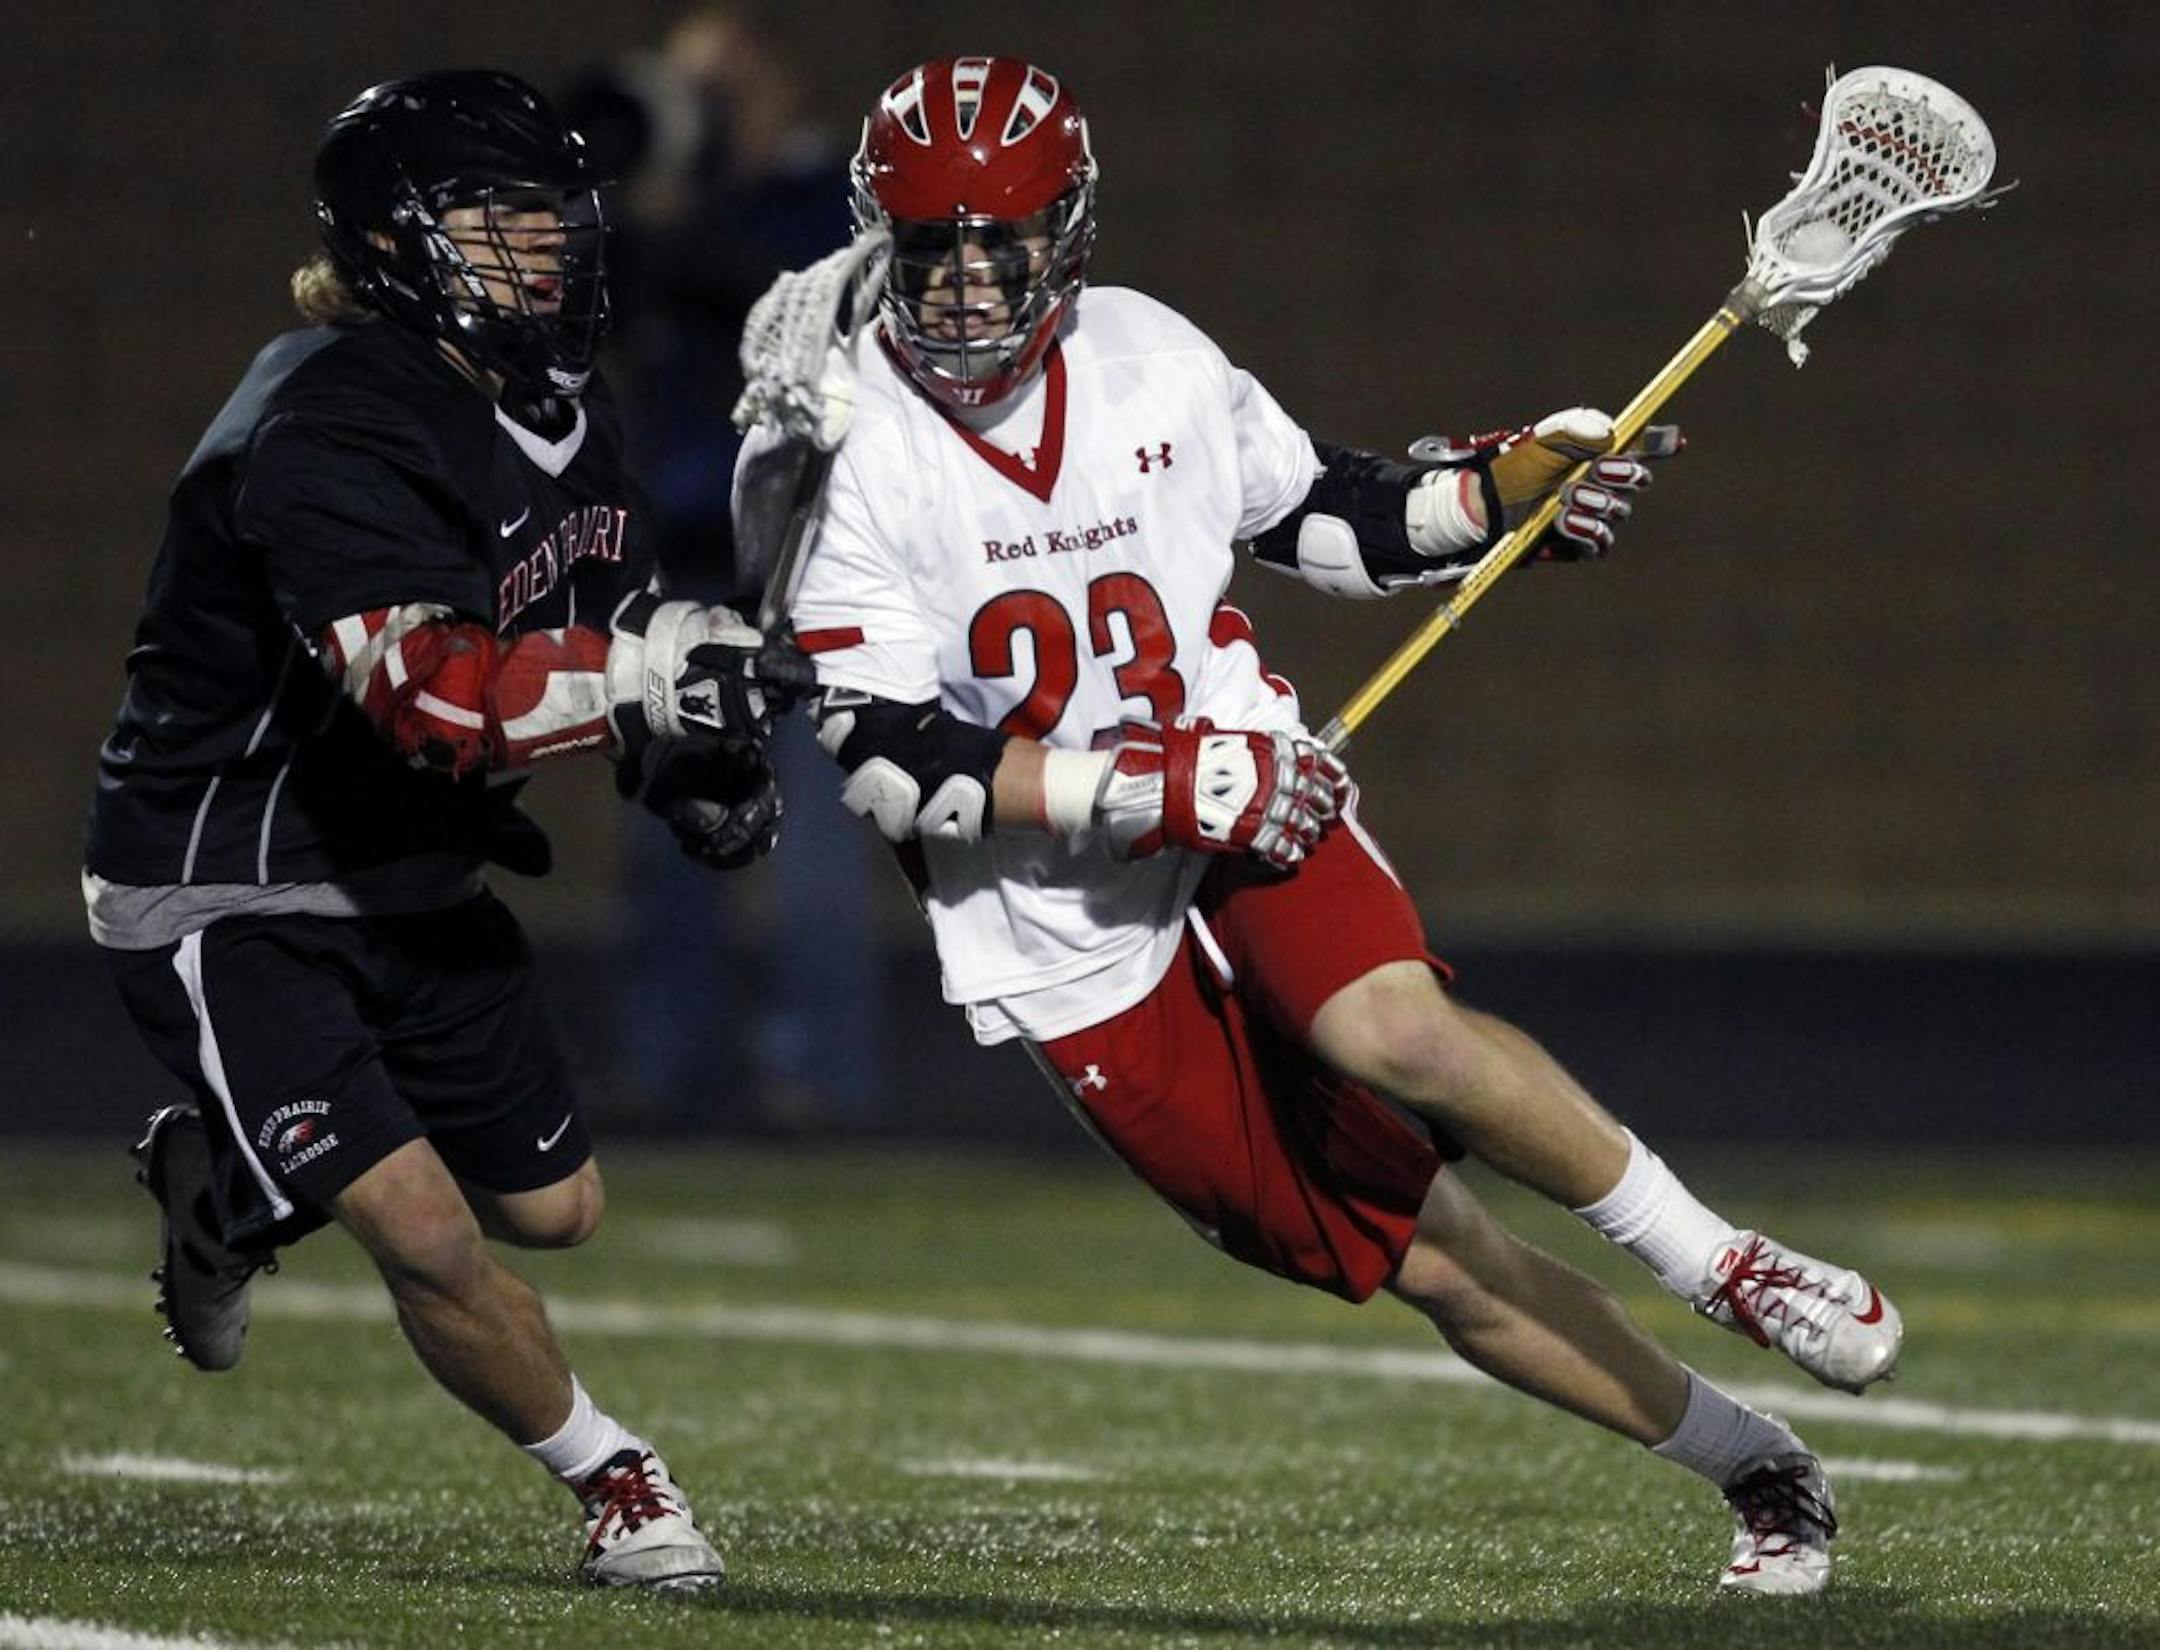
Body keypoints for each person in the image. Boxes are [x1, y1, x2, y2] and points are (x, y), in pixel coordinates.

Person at [745, 55, 1904, 1597]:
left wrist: (1500, 494)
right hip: (1048, 898)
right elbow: (892, 759)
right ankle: (1754, 1460)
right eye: (932, 247)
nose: (963, 286)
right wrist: (1144, 789)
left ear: (1066, 235)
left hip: (1238, 771)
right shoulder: (846, 438)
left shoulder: (1148, 353)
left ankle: (1727, 1260)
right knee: (1425, 1250)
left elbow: (1317, 514)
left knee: (1391, 1030)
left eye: (997, 247)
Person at [84, 71, 805, 1591]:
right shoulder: (324, 423)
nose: (545, 251)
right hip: (232, 878)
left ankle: (232, 1176)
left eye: (555, 218)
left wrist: (684, 765)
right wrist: (651, 674)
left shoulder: (563, 410)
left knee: (559, 1206)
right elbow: (435, 695)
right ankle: (618, 1479)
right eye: (500, 221)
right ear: (398, 245)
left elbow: (593, 632)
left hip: (408, 864)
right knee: (422, 1229)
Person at [567, 7, 887, 1130]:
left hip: (805, 572)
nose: (697, 109)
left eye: (720, 85)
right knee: (666, 843)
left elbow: (791, 303)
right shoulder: (659, 217)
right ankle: (668, 1076)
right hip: (682, 568)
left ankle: (828, 1084)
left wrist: (668, 227)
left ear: (777, 80)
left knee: (812, 850)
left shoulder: (825, 196)